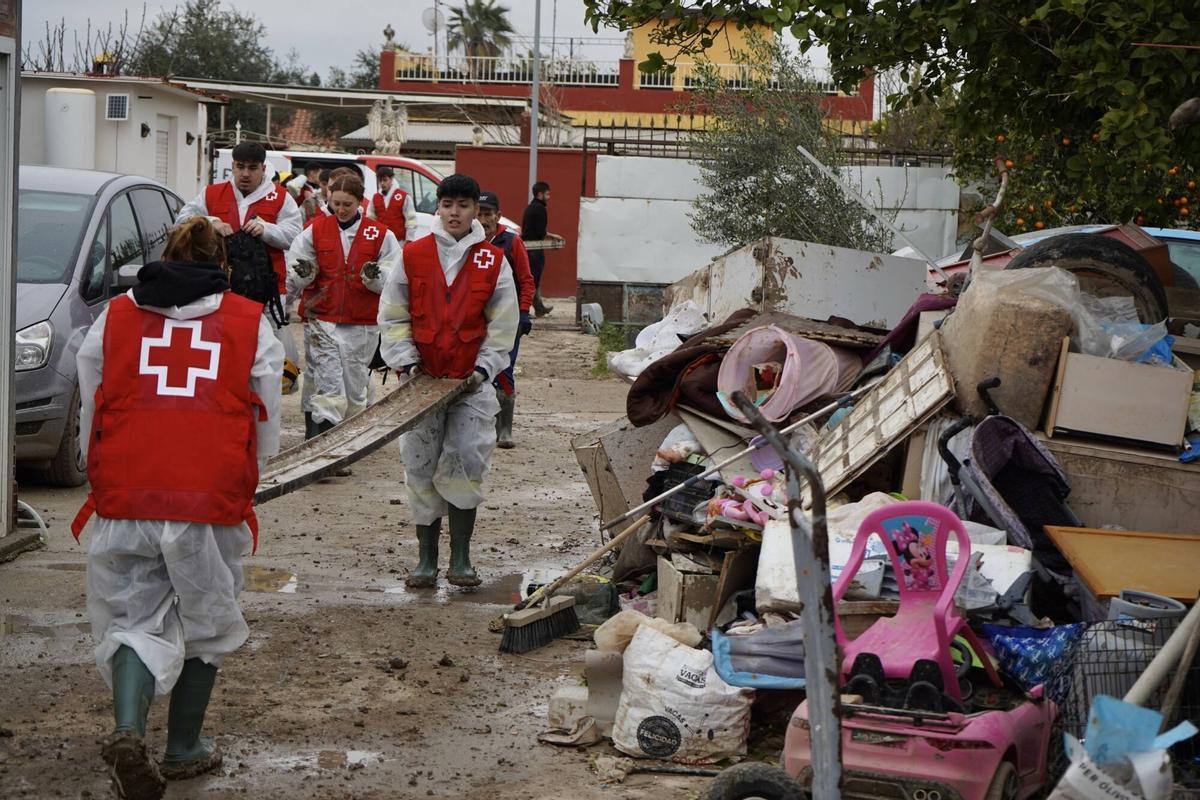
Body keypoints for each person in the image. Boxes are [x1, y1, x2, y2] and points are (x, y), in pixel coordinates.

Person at [71, 217, 283, 797]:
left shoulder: (114, 316)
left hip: (127, 491)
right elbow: (266, 413)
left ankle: (127, 728)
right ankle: (183, 747)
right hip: (209, 493)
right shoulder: (248, 322)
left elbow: (94, 394)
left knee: (131, 617)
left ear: (164, 255)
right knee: (206, 621)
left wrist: (101, 466)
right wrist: (250, 479)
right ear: (224, 267)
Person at [378, 174, 518, 588]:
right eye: (448, 204)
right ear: (438, 207)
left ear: (478, 210)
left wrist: (483, 370)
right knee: (419, 464)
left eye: (463, 205)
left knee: (467, 462)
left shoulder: (493, 261)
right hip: (422, 382)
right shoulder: (414, 254)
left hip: (471, 385)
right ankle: (426, 560)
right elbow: (393, 313)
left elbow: (503, 323)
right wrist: (406, 362)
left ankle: (461, 559)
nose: (454, 213)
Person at [287, 171, 400, 438]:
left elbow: (394, 274)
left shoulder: (380, 234)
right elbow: (297, 266)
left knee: (355, 385)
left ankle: (345, 442)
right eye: (335, 203)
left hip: (361, 323)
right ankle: (323, 440)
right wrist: (305, 272)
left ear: (360, 202)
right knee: (327, 381)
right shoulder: (315, 230)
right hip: (322, 319)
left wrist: (375, 275)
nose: (340, 210)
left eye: (347, 204)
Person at [176, 141, 301, 380]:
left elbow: (295, 236)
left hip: (267, 291)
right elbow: (182, 220)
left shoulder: (280, 198)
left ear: (263, 169)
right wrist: (209, 222)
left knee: (265, 358)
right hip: (219, 287)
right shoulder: (212, 193)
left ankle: (262, 407)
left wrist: (266, 229)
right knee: (222, 351)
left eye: (252, 168)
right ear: (232, 166)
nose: (245, 174)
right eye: (240, 166)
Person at [477, 190, 534, 448]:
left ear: (498, 216)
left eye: (487, 214)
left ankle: (505, 429)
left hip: (507, 319)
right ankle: (480, 424)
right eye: (478, 213)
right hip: (476, 319)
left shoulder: (511, 242)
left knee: (504, 369)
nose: (482, 219)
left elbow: (526, 280)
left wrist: (523, 312)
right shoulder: (468, 242)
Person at [521, 180, 553, 317]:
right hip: (534, 249)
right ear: (540, 194)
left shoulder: (531, 207)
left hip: (528, 248)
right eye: (547, 194)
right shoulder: (540, 209)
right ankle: (525, 310)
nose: (549, 197)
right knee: (533, 280)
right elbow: (540, 232)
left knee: (533, 279)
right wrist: (552, 236)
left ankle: (539, 308)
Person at [368, 165, 419, 243]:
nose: (382, 183)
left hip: (399, 241)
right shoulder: (375, 198)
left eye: (385, 180)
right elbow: (370, 219)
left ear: (391, 179)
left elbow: (411, 219)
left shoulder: (403, 197)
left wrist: (409, 239)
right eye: (380, 180)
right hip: (380, 240)